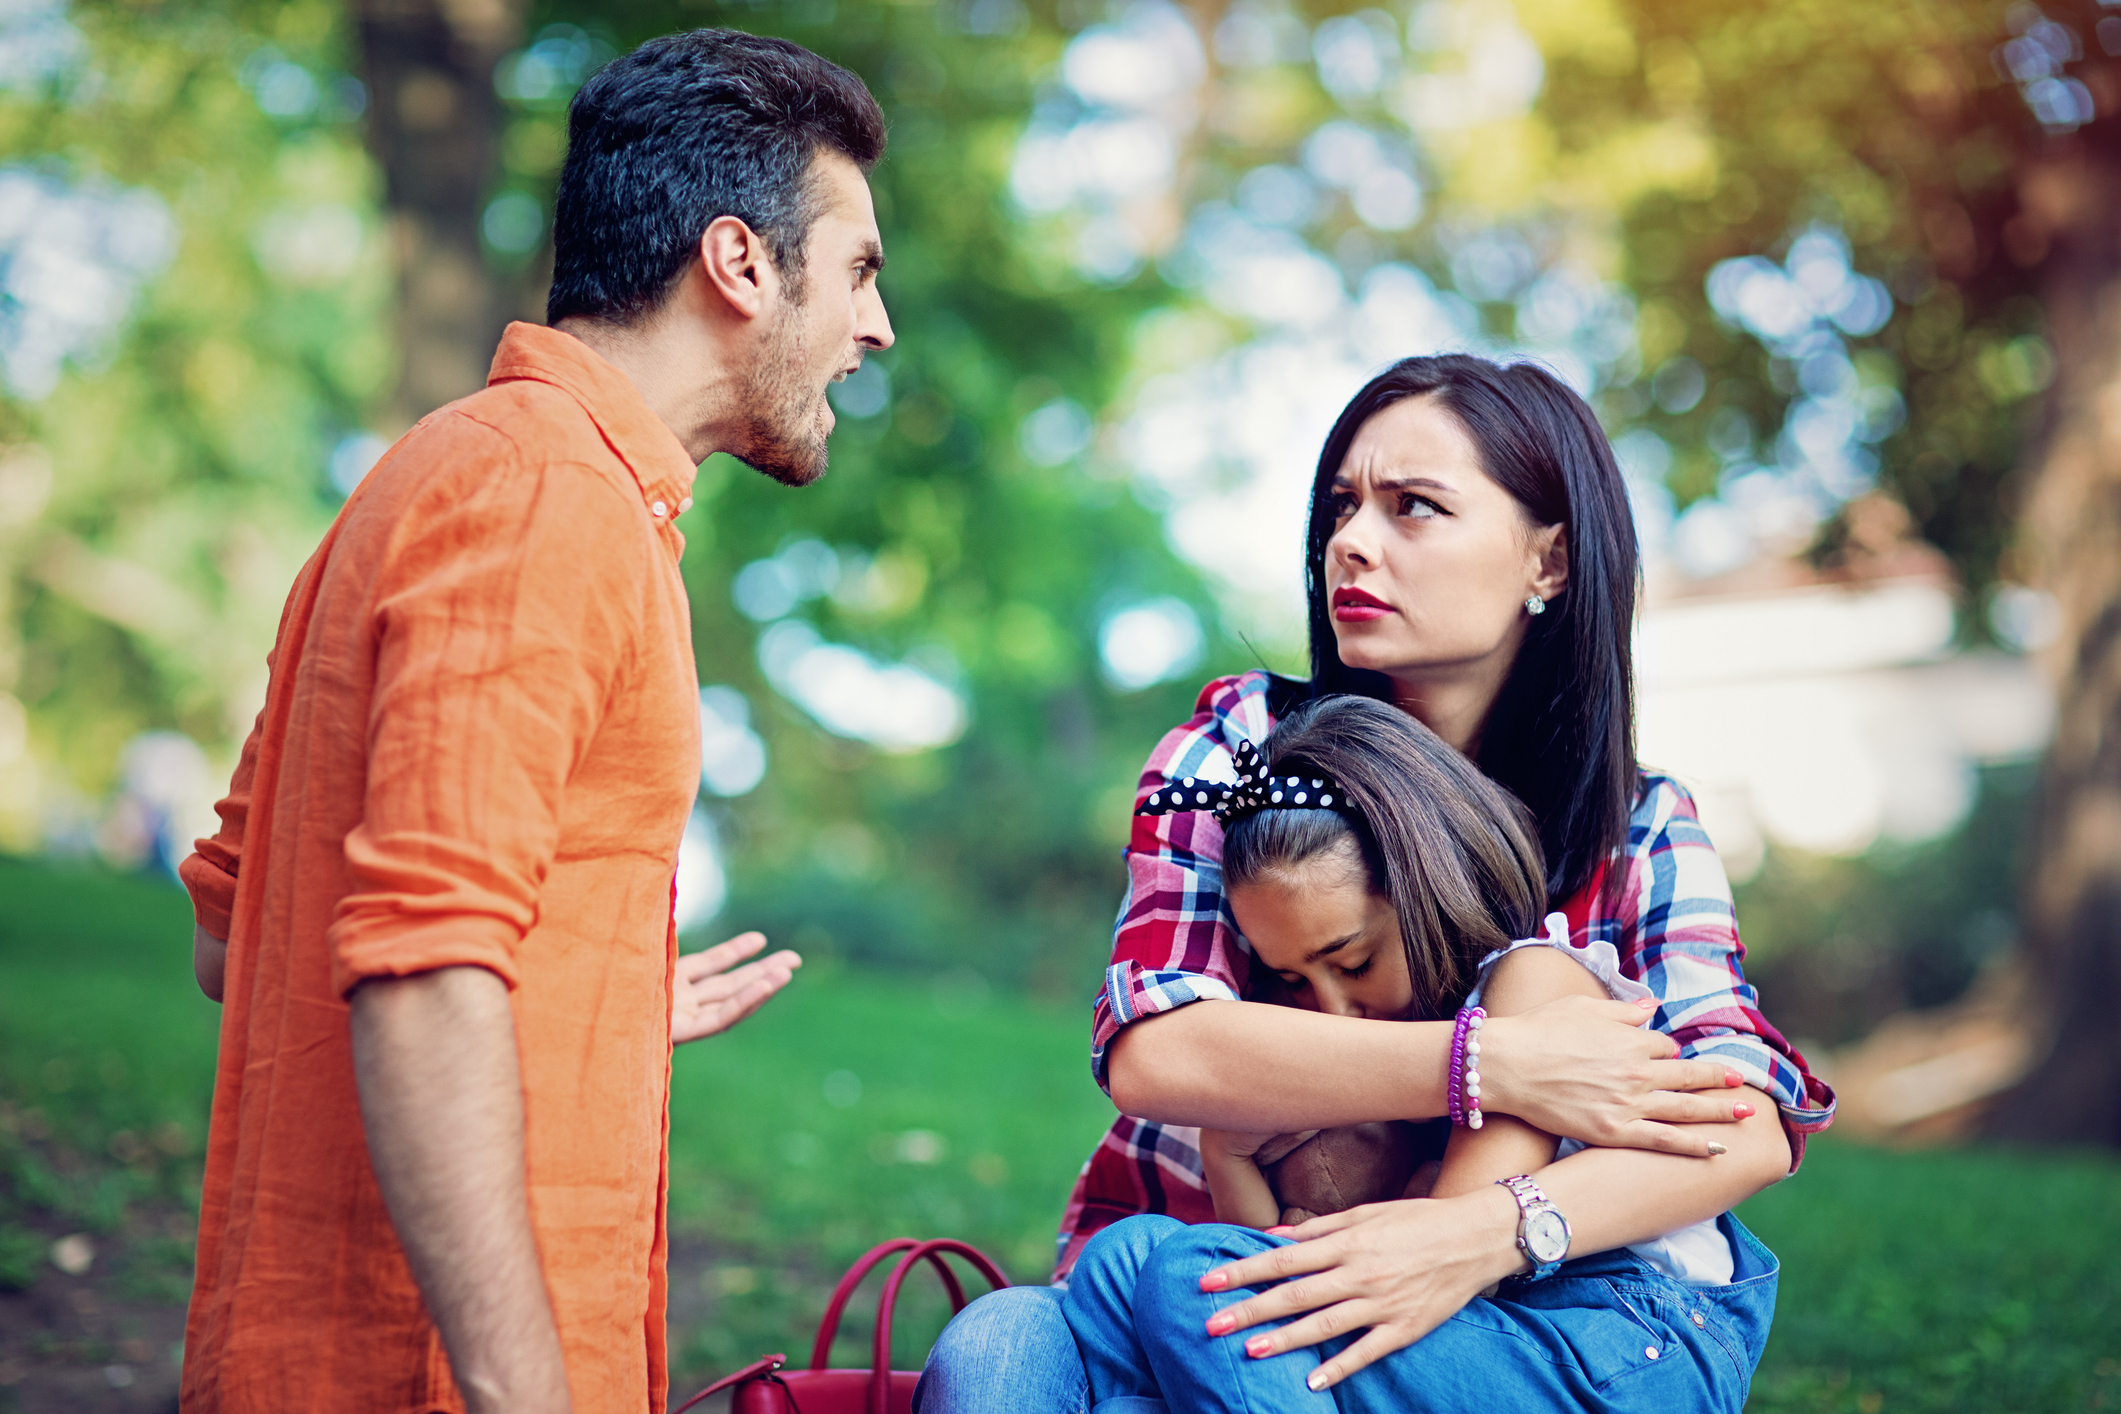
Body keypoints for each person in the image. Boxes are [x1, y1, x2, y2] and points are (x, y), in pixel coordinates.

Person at [175, 29, 891, 1414]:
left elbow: (238, 935)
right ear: (741, 263)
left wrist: (583, 992)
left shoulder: (452, 472)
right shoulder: (546, 499)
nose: (876, 325)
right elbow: (424, 959)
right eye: (859, 270)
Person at [915, 354, 1833, 1412]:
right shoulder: (1241, 749)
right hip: (1193, 1273)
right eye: (1342, 506)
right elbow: (1158, 1049)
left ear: (1552, 560)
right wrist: (1493, 1065)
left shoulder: (1633, 825)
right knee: (997, 1344)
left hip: (1457, 1323)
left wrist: (1481, 1230)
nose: (1350, 540)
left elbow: (1744, 1121)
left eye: (1415, 508)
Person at [1056, 693, 1787, 1412]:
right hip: (1487, 1328)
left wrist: (1318, 1240)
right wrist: (1228, 1156)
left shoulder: (1533, 988)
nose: (1333, 1011)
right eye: (1291, 979)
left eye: (1352, 961)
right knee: (1124, 1261)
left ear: (1430, 887)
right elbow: (1283, 1253)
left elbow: (1436, 1260)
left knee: (1194, 1280)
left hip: (1620, 1331)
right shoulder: (1406, 1054)